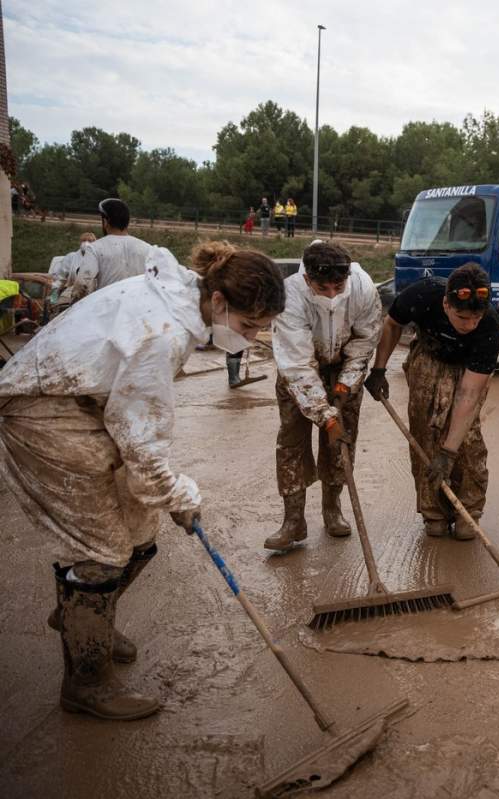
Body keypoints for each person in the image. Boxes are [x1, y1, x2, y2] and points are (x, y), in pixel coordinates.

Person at [0, 243, 285, 721]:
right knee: (101, 549)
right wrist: (178, 495)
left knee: (140, 532)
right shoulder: (163, 333)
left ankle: (83, 615)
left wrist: (162, 497)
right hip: (42, 407)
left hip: (86, 400)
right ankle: (86, 681)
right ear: (217, 302)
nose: (252, 337)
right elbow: (143, 444)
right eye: (248, 325)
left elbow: (138, 431)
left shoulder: (179, 300)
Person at [365, 264, 499, 539]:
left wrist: (449, 453)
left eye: (476, 317)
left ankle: (467, 510)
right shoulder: (421, 296)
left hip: (467, 367)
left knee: (467, 439)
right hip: (429, 355)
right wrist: (379, 369)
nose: (469, 325)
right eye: (462, 317)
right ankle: (433, 511)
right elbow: (392, 325)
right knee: (425, 433)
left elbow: (469, 394)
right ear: (446, 304)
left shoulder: (488, 327)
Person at [265, 242, 382, 551]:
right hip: (300, 369)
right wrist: (325, 415)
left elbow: (364, 341)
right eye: (323, 287)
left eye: (337, 286)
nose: (332, 294)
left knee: (342, 442)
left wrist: (346, 384)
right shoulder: (289, 295)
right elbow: (297, 365)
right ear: (307, 278)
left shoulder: (362, 288)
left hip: (343, 365)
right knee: (292, 442)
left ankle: (333, 509)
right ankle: (293, 520)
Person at [58, 199, 151, 304]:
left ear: (105, 222)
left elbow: (83, 284)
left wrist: (76, 305)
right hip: (137, 308)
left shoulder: (95, 248)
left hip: (107, 309)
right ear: (127, 222)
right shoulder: (146, 248)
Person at [48, 231, 97, 304]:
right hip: (71, 290)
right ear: (80, 242)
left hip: (92, 293)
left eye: (90, 241)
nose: (86, 243)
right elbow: (60, 278)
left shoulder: (98, 258)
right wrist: (53, 297)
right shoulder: (71, 257)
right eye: (84, 240)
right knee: (61, 307)